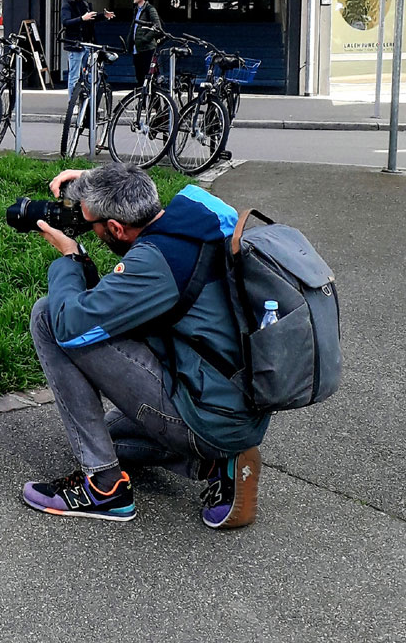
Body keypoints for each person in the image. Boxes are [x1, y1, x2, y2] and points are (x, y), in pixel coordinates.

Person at [22, 162, 269, 529]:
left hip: (208, 411)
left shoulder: (154, 265)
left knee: (48, 316)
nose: (89, 230)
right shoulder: (201, 212)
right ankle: (219, 461)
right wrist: (93, 181)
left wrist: (71, 257)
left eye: (93, 226)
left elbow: (70, 326)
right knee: (110, 438)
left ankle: (105, 488)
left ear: (116, 228)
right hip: (235, 399)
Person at [60, 0, 114, 94]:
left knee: (91, 73)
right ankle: (72, 101)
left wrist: (103, 16)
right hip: (75, 43)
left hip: (88, 43)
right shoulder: (68, 3)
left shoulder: (84, 2)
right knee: (74, 75)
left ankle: (89, 99)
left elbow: (90, 18)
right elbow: (65, 22)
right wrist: (82, 18)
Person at [129, 0, 162, 87]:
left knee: (148, 79)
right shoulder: (136, 10)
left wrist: (144, 39)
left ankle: (152, 97)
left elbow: (157, 27)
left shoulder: (150, 9)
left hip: (147, 49)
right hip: (137, 49)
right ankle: (143, 97)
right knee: (139, 78)